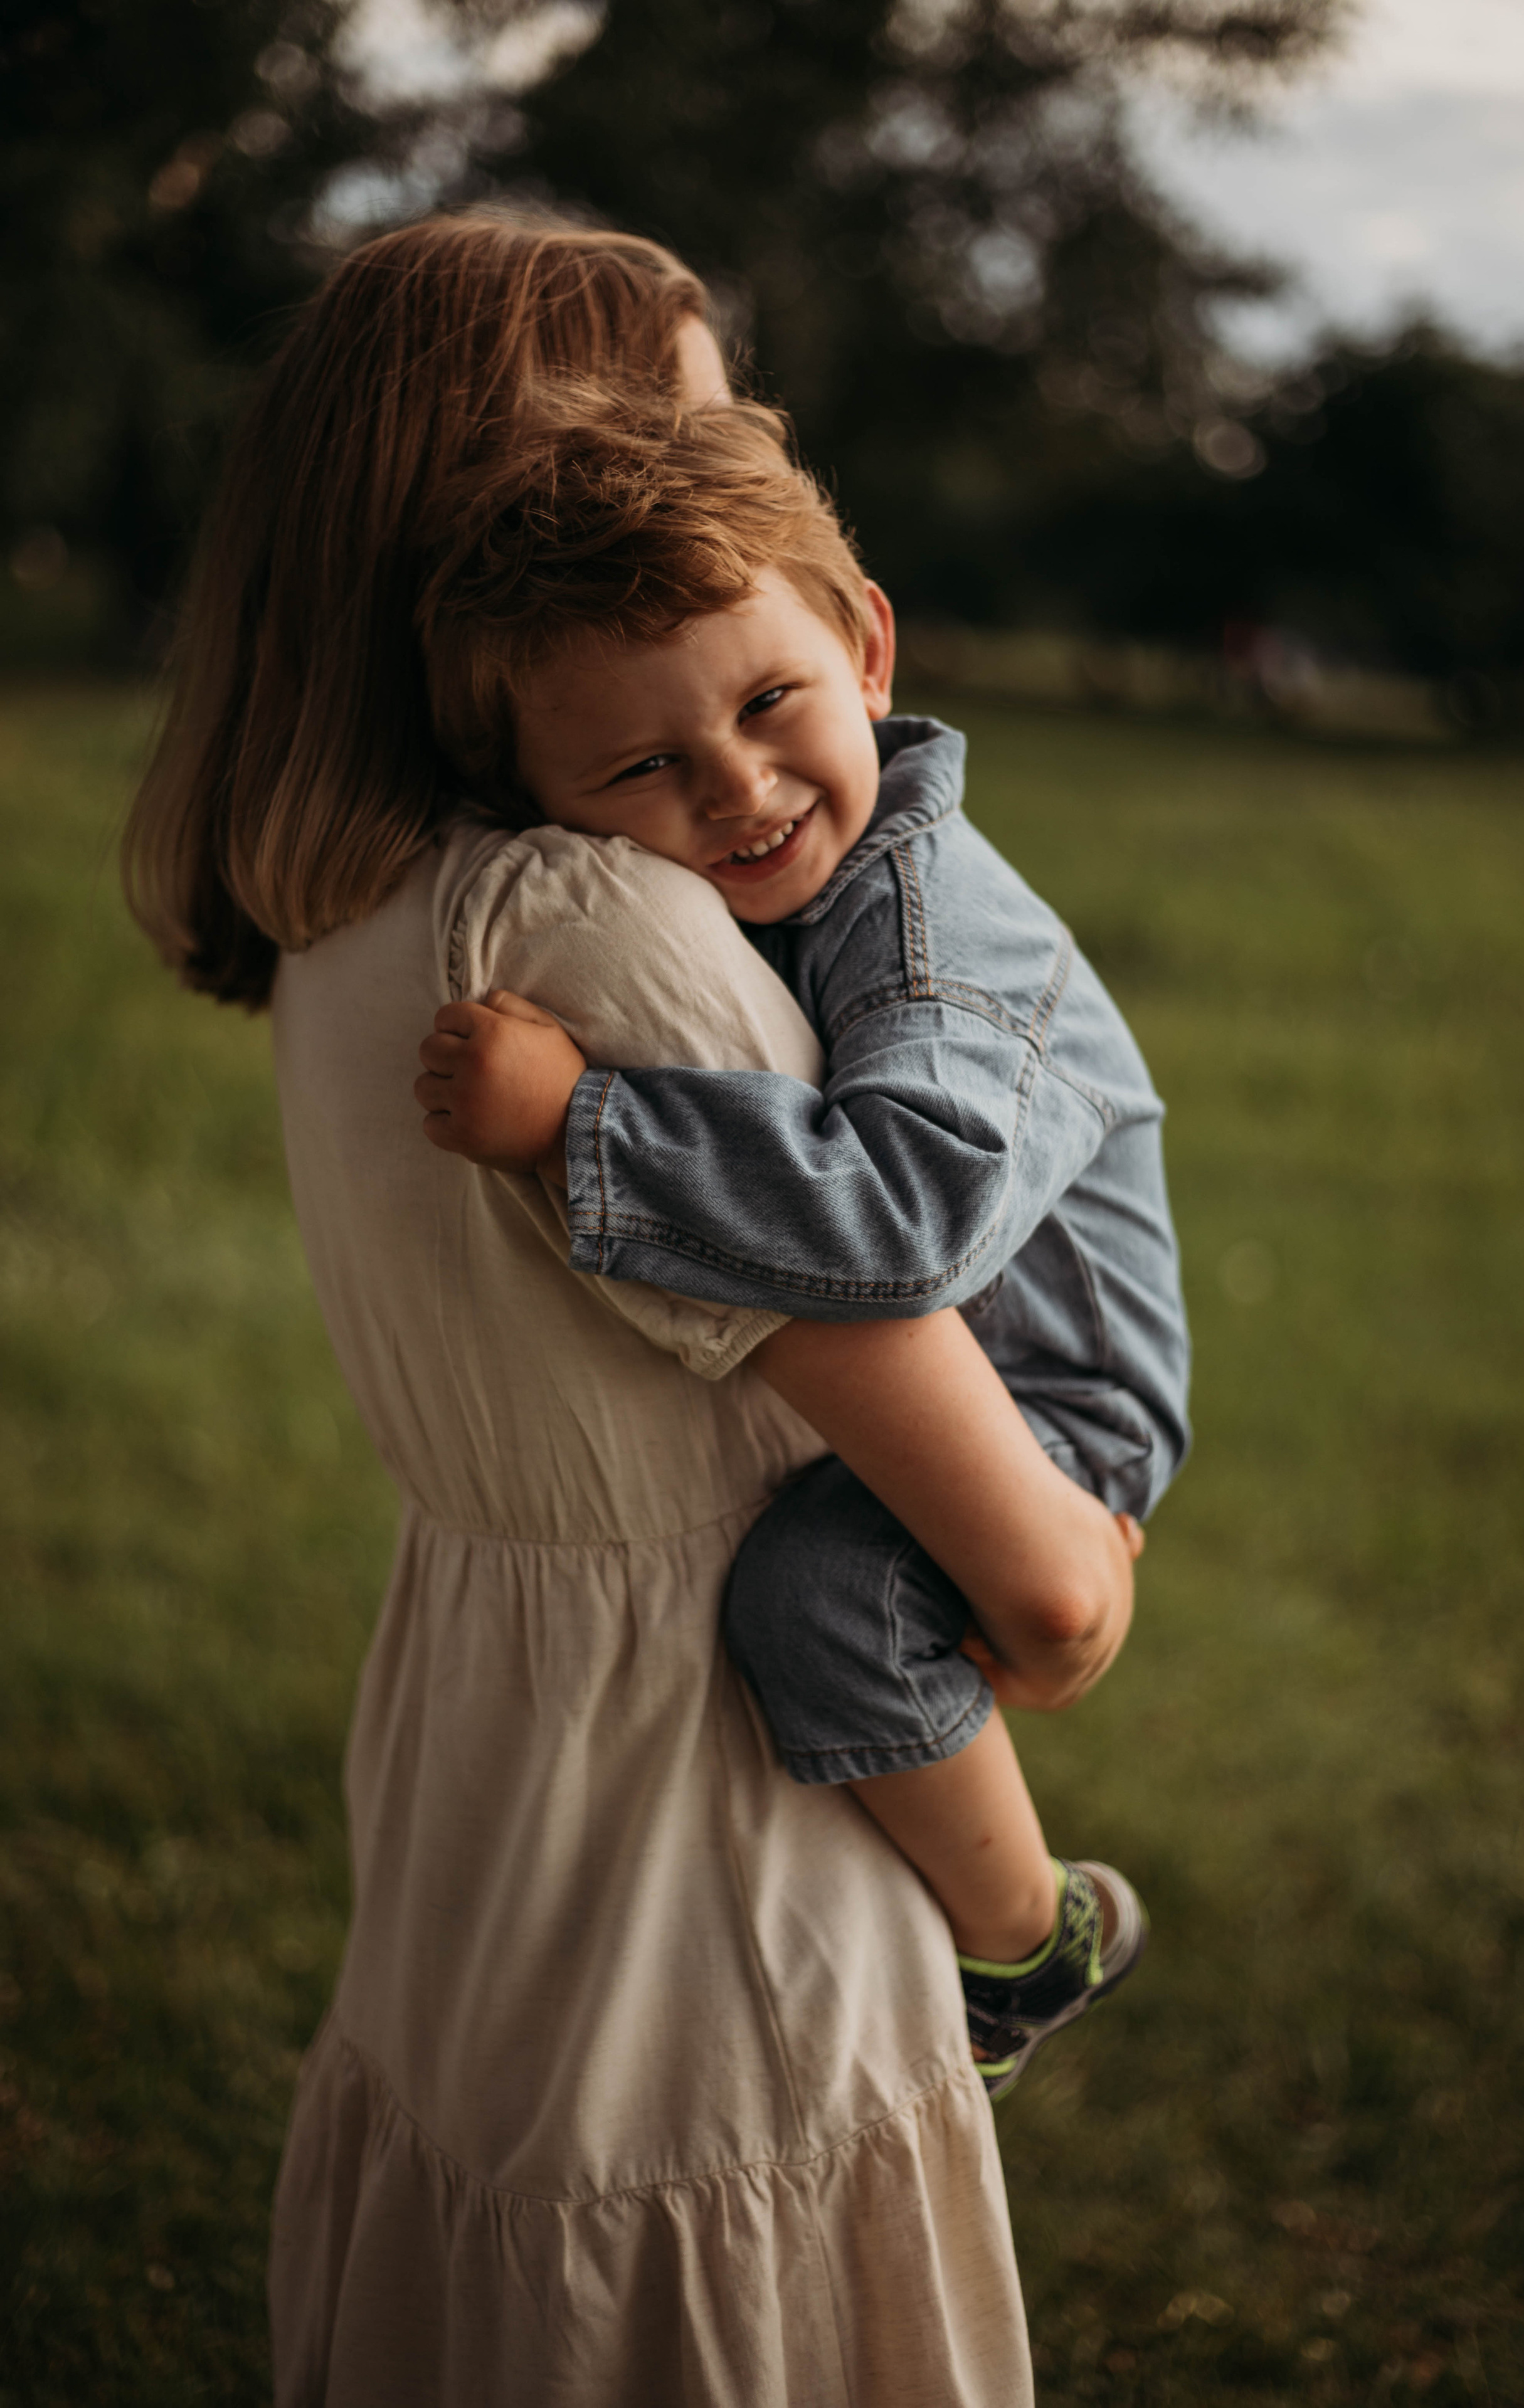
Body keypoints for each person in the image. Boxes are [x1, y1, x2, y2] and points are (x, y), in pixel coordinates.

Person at [119, 209, 1111, 2404]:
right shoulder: (603, 933)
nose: (721, 483)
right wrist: (1059, 1602)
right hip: (707, 1796)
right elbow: (1032, 1571)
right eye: (678, 426)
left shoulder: (341, 906)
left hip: (483, 1732)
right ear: (493, 523)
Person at [411, 397, 1192, 2099]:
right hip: (985, 1344)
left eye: (773, 704)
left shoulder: (927, 935)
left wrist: (580, 1126)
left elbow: (906, 1217)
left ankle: (1028, 1942)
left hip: (1059, 1387)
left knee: (819, 1596)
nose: (740, 788)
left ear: (868, 645)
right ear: (533, 798)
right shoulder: (802, 882)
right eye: (643, 769)